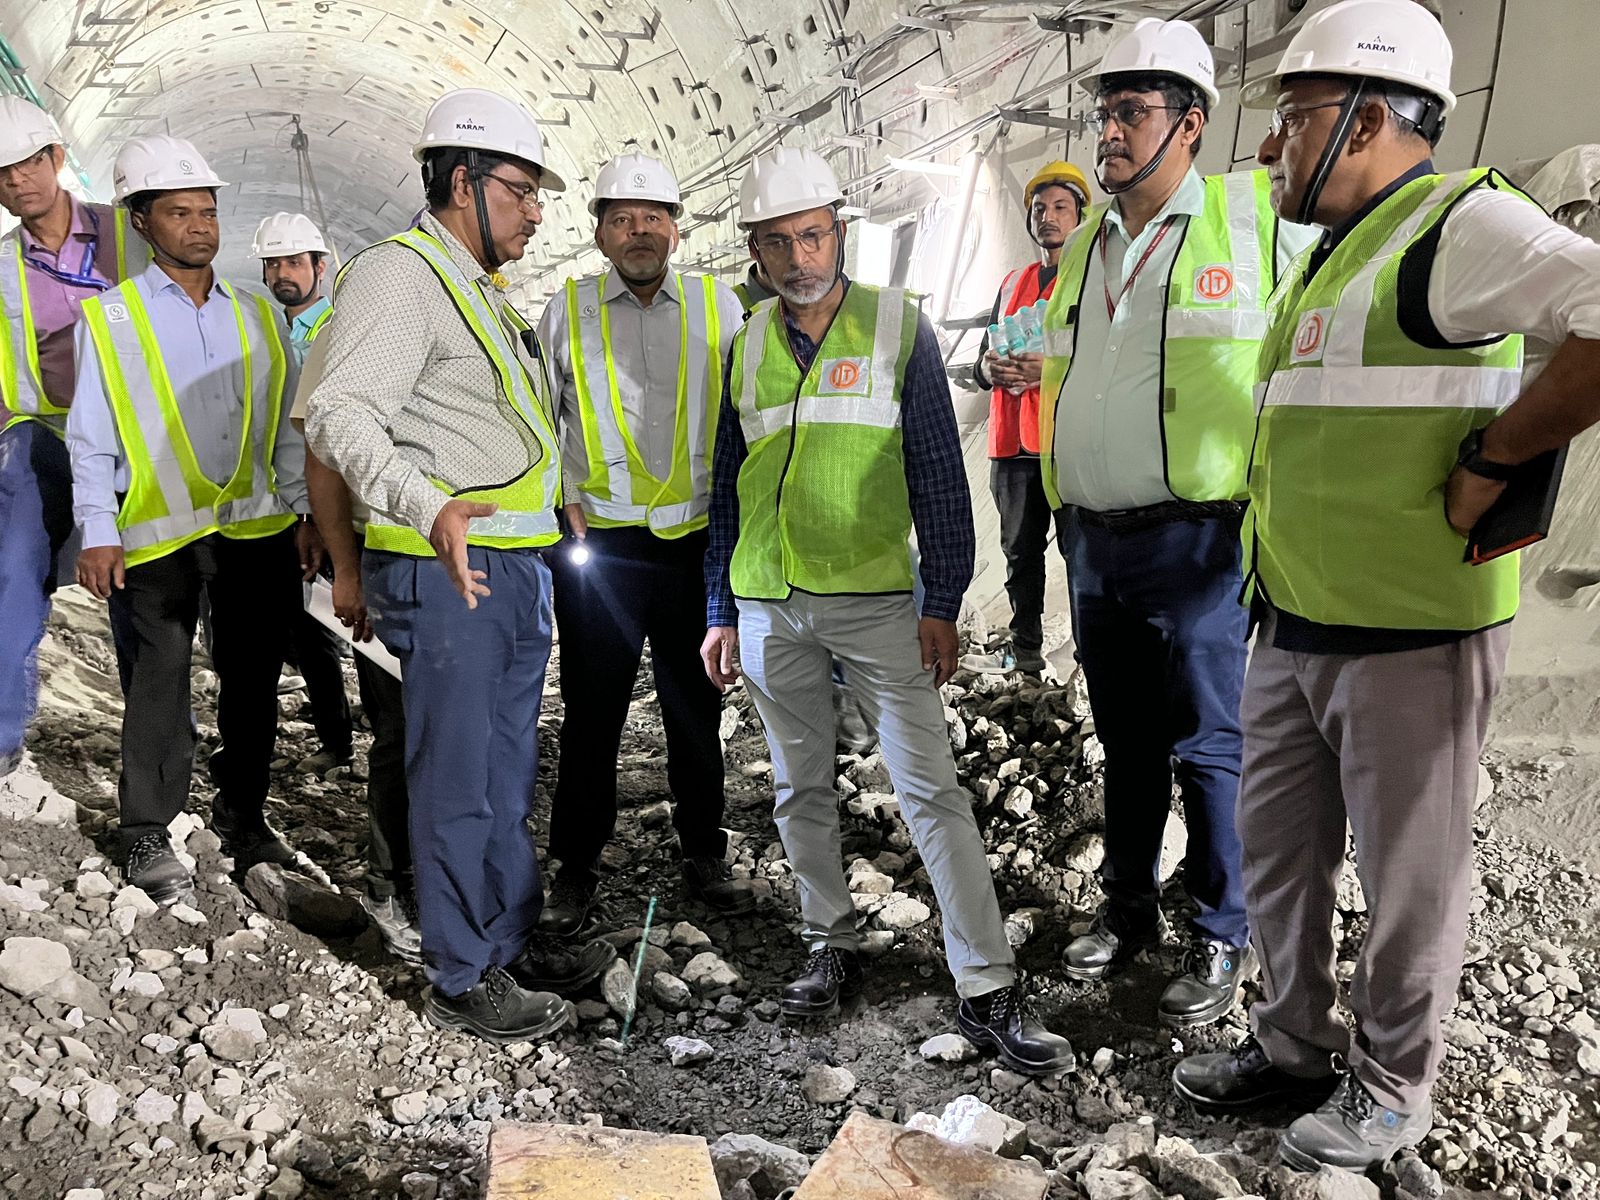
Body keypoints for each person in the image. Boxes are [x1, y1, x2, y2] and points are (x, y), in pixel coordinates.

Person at [1173, 0, 1600, 1172]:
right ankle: (1292, 1045)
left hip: (1411, 635)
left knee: (1410, 880)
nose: (1270, 150)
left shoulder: (1461, 227)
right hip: (1293, 623)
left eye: (1293, 120)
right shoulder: (1341, 252)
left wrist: (1501, 456)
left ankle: (1391, 1090)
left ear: (1365, 118)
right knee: (1278, 861)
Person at [701, 146, 1073, 1075]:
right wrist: (718, 607)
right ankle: (830, 941)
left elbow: (939, 475)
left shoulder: (894, 327)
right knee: (798, 788)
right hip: (767, 602)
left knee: (929, 789)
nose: (799, 257)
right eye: (779, 241)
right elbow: (727, 488)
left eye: (814, 234)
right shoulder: (741, 343)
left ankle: (986, 982)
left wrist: (941, 598)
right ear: (755, 249)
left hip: (873, 600)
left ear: (839, 232)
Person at [306, 88, 615, 1043]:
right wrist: (424, 505)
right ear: (459, 182)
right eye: (520, 190)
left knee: (504, 767)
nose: (534, 210)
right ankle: (459, 969)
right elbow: (339, 416)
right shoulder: (399, 280)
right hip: (450, 574)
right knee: (456, 773)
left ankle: (507, 930)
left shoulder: (476, 288)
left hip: (511, 570)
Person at [1038, 18, 1318, 1028]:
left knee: (1210, 745)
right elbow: (1052, 357)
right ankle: (1126, 913)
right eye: (1105, 110)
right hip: (1095, 544)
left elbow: (1355, 269)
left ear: (1190, 124)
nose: (1108, 131)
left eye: (1132, 111)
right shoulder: (1083, 251)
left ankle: (1220, 932)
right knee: (1122, 741)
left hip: (1200, 541)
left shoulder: (1254, 221)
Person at [66, 135, 311, 904]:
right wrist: (97, 528)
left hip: (255, 531)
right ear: (142, 223)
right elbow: (91, 433)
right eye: (180, 213)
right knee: (160, 682)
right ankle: (145, 828)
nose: (201, 227)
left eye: (207, 212)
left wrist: (302, 511)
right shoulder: (109, 319)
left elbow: (288, 431)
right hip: (158, 534)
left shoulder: (258, 319)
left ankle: (243, 816)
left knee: (252, 681)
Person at [534, 152, 754, 934]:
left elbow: (744, 413)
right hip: (603, 550)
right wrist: (562, 498)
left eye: (653, 218)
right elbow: (544, 416)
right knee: (594, 712)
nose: (639, 232)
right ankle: (576, 866)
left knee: (696, 707)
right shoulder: (566, 310)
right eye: (622, 219)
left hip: (695, 546)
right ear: (597, 232)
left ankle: (704, 854)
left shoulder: (719, 306)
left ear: (676, 228)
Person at [0, 96, 147, 782]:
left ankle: (154, 743)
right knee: (13, 567)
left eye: (27, 164)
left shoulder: (131, 233)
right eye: (0, 174)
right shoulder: (3, 265)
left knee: (142, 587)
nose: (15, 182)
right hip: (45, 433)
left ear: (57, 160)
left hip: (137, 437)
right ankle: (1, 736)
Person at [288, 322, 422, 965]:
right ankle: (388, 883)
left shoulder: (489, 316)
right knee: (398, 730)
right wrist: (347, 568)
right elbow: (323, 456)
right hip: (387, 558)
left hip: (481, 562)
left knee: (469, 733)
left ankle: (457, 876)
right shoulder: (348, 336)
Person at [960, 160, 1089, 676]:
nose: (1049, 217)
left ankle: (1090, 655)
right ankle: (1027, 650)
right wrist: (986, 369)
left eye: (1060, 207)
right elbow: (978, 360)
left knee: (1082, 555)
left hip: (1065, 444)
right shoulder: (1012, 282)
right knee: (1020, 552)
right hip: (1011, 447)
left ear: (1080, 215)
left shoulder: (1091, 280)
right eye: (1040, 208)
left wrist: (1050, 369)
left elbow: (1109, 357)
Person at [252, 211, 353, 776]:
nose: (283, 273)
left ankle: (366, 743)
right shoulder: (264, 334)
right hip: (283, 506)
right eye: (273, 264)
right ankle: (335, 737)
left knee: (348, 621)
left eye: (294, 262)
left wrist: (316, 512)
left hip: (338, 503)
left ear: (320, 266)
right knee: (304, 627)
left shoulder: (342, 329)